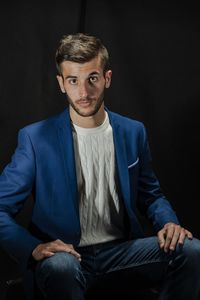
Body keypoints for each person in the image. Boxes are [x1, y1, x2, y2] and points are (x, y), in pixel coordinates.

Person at [0, 33, 200, 300]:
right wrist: (33, 248)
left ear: (107, 78)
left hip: (122, 254)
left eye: (92, 78)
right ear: (61, 83)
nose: (83, 92)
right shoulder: (36, 139)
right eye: (73, 80)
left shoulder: (133, 132)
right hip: (67, 259)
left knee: (191, 250)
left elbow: (150, 195)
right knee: (61, 266)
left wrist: (169, 223)